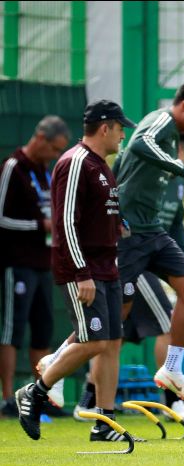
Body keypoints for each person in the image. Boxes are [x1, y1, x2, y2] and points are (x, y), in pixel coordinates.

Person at [14, 100, 135, 441]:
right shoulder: (75, 162)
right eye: (120, 127)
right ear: (104, 127)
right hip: (82, 269)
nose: (122, 134)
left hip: (105, 266)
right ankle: (36, 392)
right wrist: (82, 272)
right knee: (93, 340)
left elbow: (101, 212)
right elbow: (65, 222)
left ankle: (105, 424)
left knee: (112, 342)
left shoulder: (101, 166)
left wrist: (117, 225)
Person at [71, 131, 184, 422]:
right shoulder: (150, 170)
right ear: (176, 150)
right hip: (133, 255)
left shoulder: (174, 185)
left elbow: (175, 225)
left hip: (152, 255)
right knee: (163, 325)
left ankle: (85, 398)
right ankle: (173, 402)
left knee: (110, 332)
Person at [113, 78, 184, 404]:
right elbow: (139, 143)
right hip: (127, 233)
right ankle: (54, 368)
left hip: (152, 231)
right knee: (111, 319)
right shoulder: (159, 121)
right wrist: (181, 167)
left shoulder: (173, 137)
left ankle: (172, 368)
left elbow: (174, 222)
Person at [0, 116, 70, 416]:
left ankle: (39, 395)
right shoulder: (13, 167)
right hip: (17, 263)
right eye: (54, 149)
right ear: (40, 138)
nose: (55, 156)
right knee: (11, 331)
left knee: (43, 331)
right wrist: (38, 225)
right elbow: (1, 218)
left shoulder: (45, 172)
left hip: (43, 264)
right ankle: (7, 398)